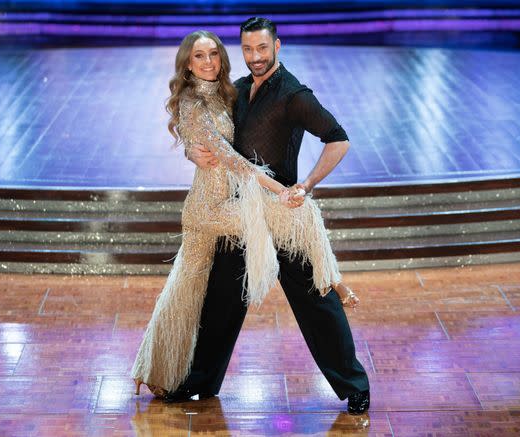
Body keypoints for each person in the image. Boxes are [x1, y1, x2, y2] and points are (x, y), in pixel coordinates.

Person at [131, 28, 365, 412]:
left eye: (262, 47)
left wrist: (305, 185)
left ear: (276, 46)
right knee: (221, 301)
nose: (255, 56)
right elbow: (209, 134)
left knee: (316, 302)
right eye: (247, 49)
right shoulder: (236, 90)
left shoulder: (295, 95)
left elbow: (338, 139)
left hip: (282, 212)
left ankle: (354, 385)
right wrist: (192, 149)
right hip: (239, 213)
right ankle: (200, 382)